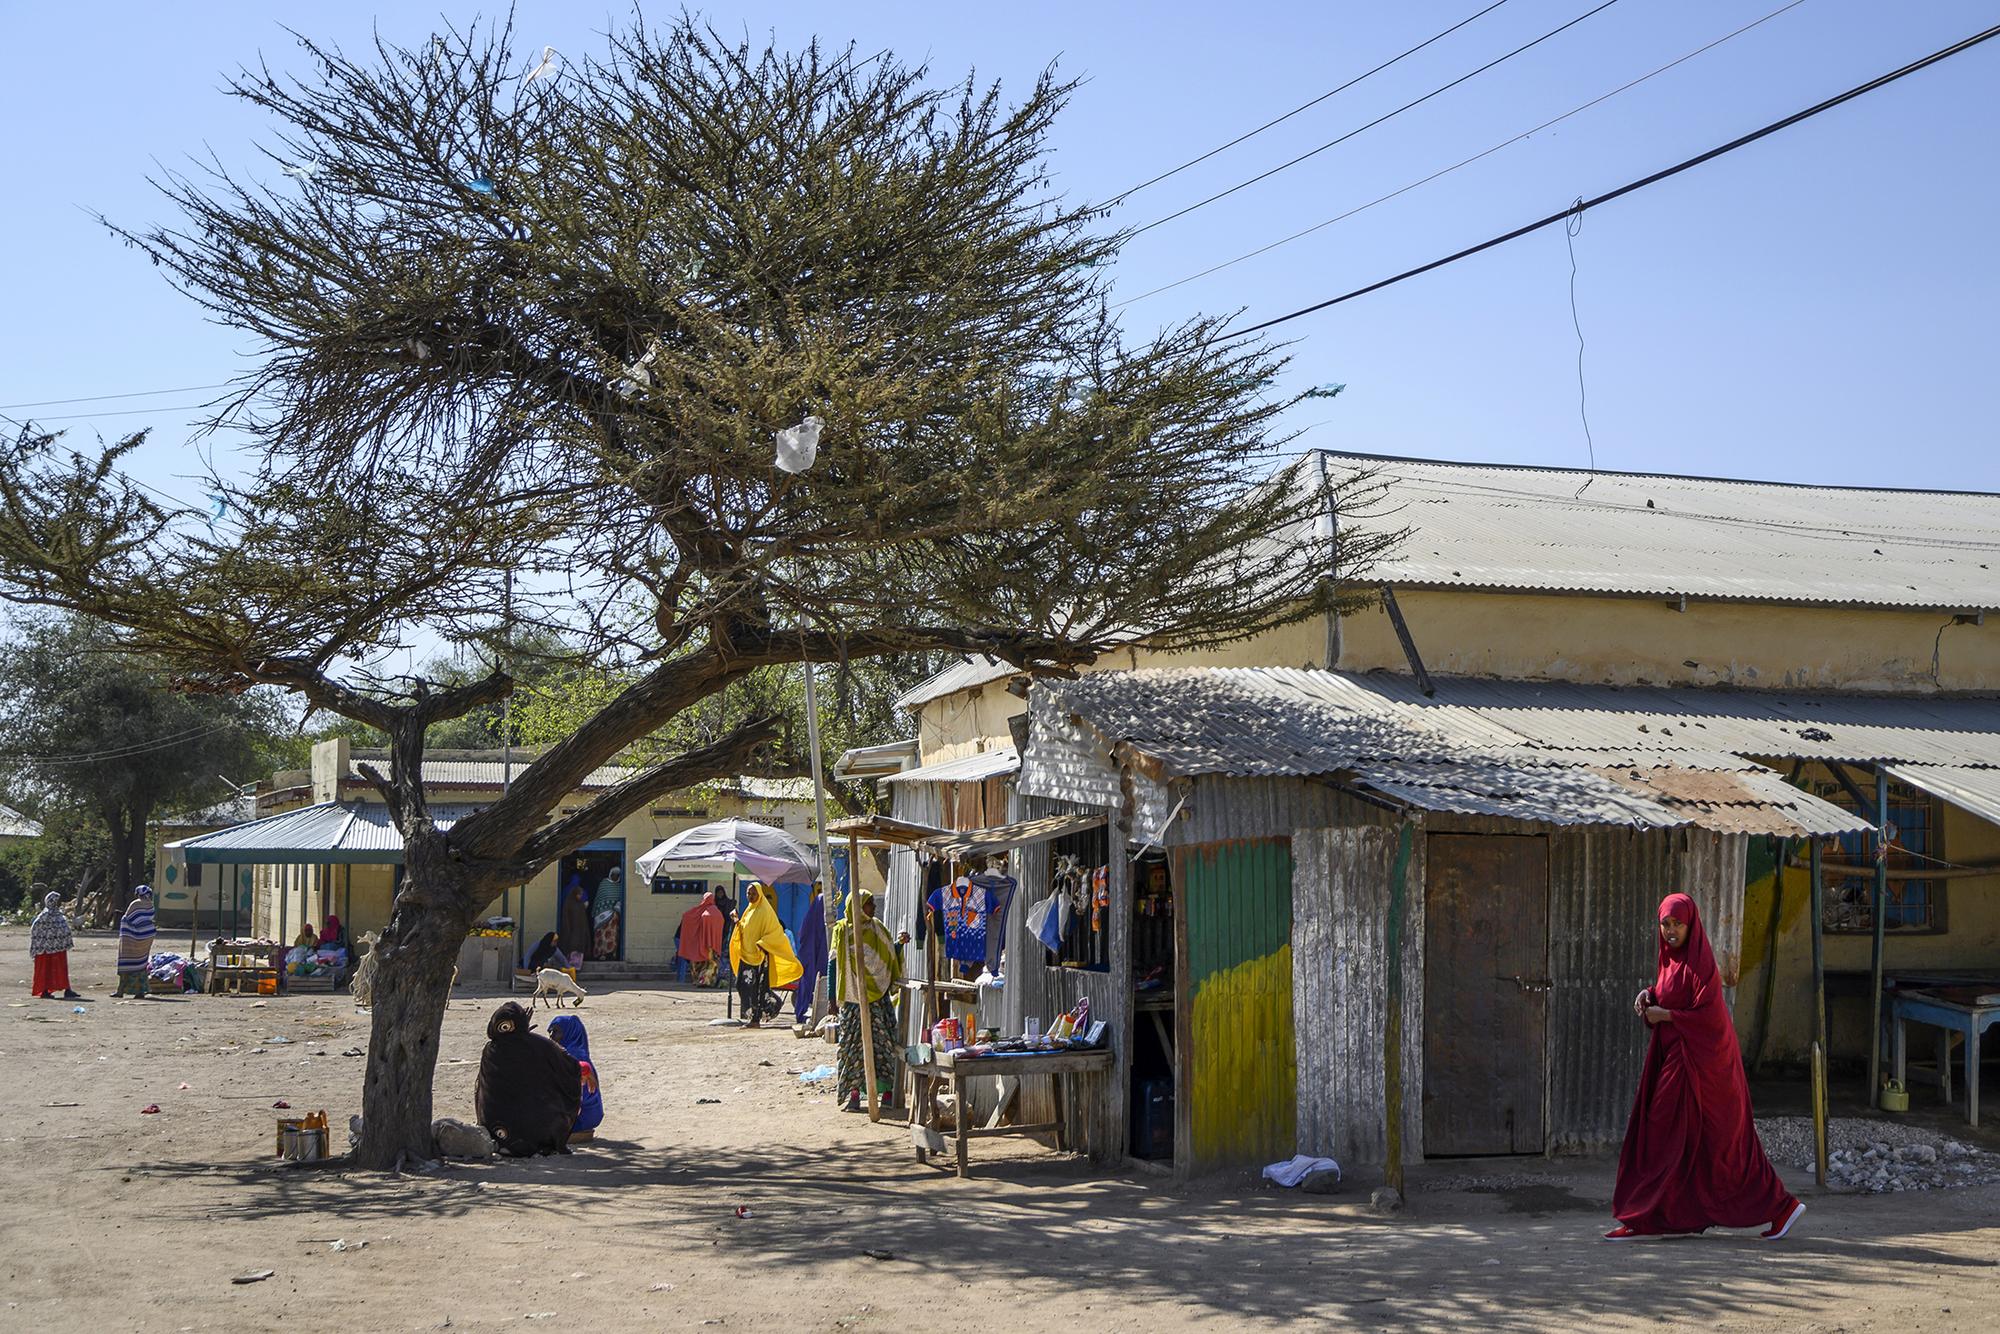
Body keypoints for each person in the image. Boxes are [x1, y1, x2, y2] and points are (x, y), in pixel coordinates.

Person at [1607, 892, 1805, 1242]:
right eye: (1665, 924)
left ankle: (1781, 1207)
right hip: (1678, 1064)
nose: (1671, 931)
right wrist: (1649, 994)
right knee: (1667, 1143)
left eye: (1677, 924)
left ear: (1691, 925)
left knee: (1721, 1149)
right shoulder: (1671, 961)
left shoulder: (1701, 962)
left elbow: (1711, 1019)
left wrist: (1665, 1015)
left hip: (1704, 1070)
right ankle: (1646, 1218)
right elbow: (1673, 993)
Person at [474, 1001, 582, 1157]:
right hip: (534, 1133)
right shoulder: (538, 1045)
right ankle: (542, 1141)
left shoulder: (490, 1050)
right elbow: (571, 1066)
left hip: (496, 1129)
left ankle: (505, 1141)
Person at [830, 890, 904, 1112]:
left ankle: (888, 1094)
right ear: (858, 906)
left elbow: (888, 955)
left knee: (884, 1046)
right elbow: (833, 964)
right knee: (852, 1048)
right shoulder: (842, 931)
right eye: (869, 904)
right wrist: (832, 998)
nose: (873, 908)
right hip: (853, 1000)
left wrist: (900, 944)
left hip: (878, 1001)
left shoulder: (877, 928)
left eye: (873, 903)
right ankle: (854, 1096)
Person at [730, 882, 802, 1028]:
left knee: (756, 988)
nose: (750, 896)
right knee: (742, 985)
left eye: (753, 893)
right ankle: (762, 1011)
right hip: (746, 955)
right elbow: (745, 930)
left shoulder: (765, 911)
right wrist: (737, 921)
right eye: (748, 893)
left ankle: (755, 1019)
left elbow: (776, 933)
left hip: (759, 957)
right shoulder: (749, 910)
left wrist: (762, 943)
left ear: (760, 894)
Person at [547, 1013, 604, 1141]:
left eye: (556, 1032)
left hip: (582, 1115)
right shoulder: (571, 1052)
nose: (551, 1036)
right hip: (587, 1115)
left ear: (569, 1033)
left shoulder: (574, 1056)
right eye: (550, 1032)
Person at [29, 891, 81, 1000]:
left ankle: (67, 989)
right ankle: (44, 991)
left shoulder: (56, 914)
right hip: (46, 949)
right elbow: (36, 930)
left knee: (60, 969)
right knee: (47, 970)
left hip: (58, 948)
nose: (58, 904)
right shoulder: (45, 915)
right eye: (56, 901)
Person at [794, 882, 829, 1028]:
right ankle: (804, 1012)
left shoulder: (825, 925)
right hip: (810, 957)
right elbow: (804, 938)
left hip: (820, 955)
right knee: (809, 981)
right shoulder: (812, 921)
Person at [114, 886, 158, 998]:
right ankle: (140, 992)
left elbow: (128, 918)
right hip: (147, 937)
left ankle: (120, 991)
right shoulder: (151, 904)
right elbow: (146, 919)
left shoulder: (135, 904)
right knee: (141, 963)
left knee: (126, 962)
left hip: (132, 937)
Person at [677, 890, 724, 986]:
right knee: (711, 963)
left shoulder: (699, 911)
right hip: (714, 944)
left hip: (701, 944)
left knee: (698, 963)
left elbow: (686, 916)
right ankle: (709, 982)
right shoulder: (717, 912)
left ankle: (698, 981)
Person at [558, 874, 591, 967]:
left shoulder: (570, 895)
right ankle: (571, 965)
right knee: (573, 945)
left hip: (579, 928)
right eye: (579, 894)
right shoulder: (570, 903)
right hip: (572, 928)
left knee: (578, 946)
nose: (581, 896)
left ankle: (576, 965)